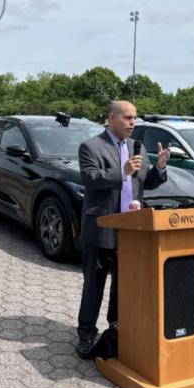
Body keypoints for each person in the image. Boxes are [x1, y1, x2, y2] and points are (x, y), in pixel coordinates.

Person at [76, 100, 170, 359]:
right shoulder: (91, 146)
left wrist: (160, 167)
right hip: (101, 228)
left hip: (132, 231)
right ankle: (85, 335)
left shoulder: (136, 147)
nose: (133, 123)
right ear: (112, 118)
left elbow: (145, 184)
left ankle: (117, 330)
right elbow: (89, 178)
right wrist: (123, 171)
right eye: (128, 118)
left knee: (124, 285)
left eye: (135, 118)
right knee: (94, 285)